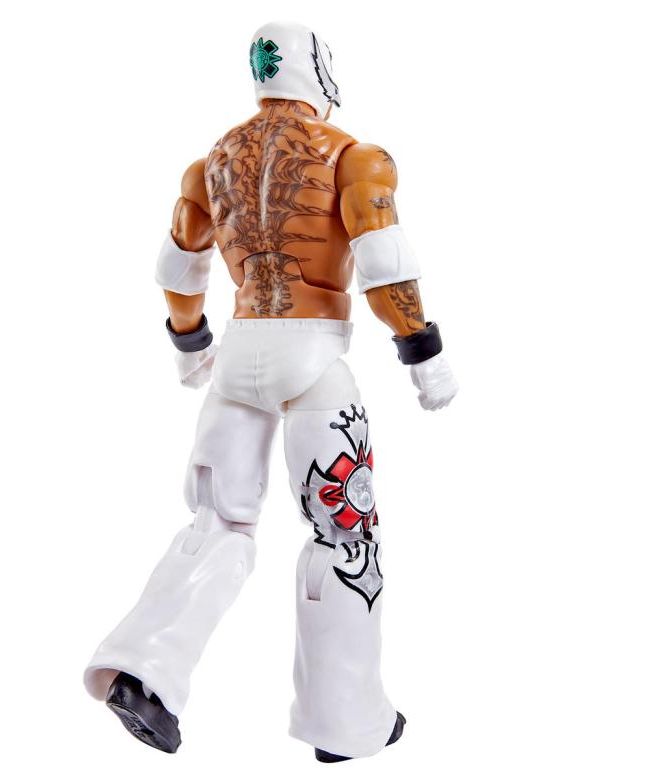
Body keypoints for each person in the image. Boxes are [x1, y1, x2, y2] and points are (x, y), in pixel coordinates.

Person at [84, 20, 458, 763]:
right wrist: (424, 355)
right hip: (313, 358)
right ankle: (345, 723)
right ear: (320, 74)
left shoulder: (211, 163)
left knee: (216, 523)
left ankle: (144, 671)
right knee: (344, 535)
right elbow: (384, 262)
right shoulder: (354, 156)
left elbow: (179, 268)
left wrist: (191, 344)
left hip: (239, 355)